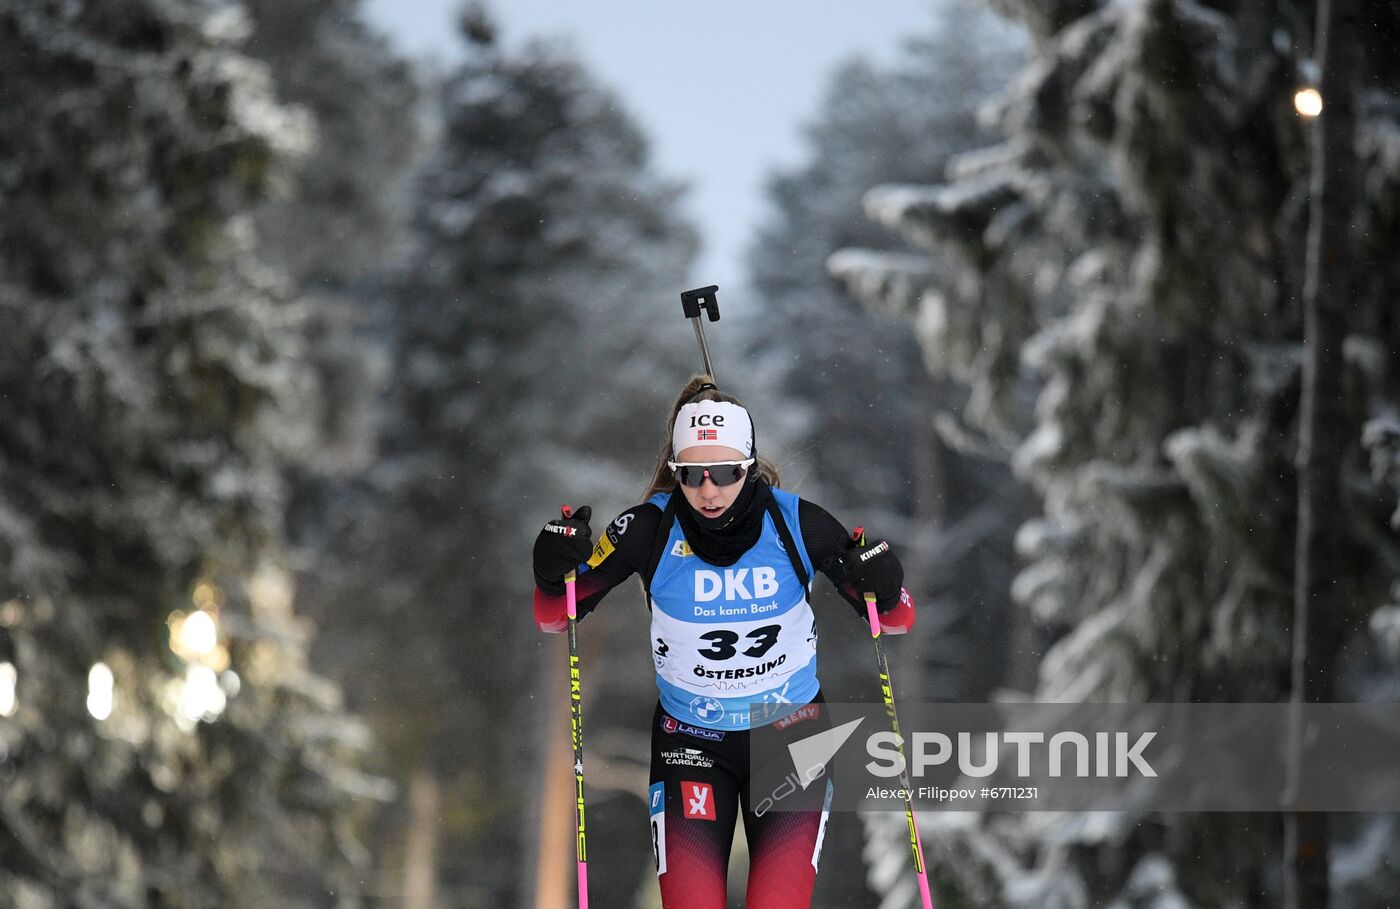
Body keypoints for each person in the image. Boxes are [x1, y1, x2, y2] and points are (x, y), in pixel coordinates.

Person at [531, 376, 915, 909]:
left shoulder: (797, 523)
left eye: (727, 473)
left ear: (750, 465)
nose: (709, 491)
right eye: (691, 476)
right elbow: (556, 617)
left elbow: (895, 621)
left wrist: (887, 586)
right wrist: (554, 574)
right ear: (675, 472)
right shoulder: (647, 529)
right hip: (691, 740)